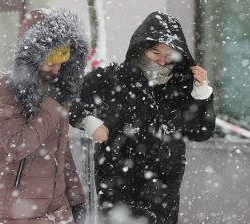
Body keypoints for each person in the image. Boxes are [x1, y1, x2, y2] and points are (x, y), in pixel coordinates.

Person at [70, 11, 215, 224]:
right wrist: (87, 121)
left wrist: (201, 94)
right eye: (155, 53)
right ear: (140, 49)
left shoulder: (181, 86)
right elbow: (69, 97)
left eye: (169, 56)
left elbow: (201, 131)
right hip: (116, 188)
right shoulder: (112, 79)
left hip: (164, 193)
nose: (162, 61)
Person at [0, 9, 89, 224]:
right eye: (50, 63)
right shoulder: (6, 88)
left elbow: (62, 152)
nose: (57, 71)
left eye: (62, 64)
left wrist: (76, 199)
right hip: (11, 211)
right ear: (32, 59)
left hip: (55, 211)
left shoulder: (56, 90)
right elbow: (18, 145)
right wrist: (53, 103)